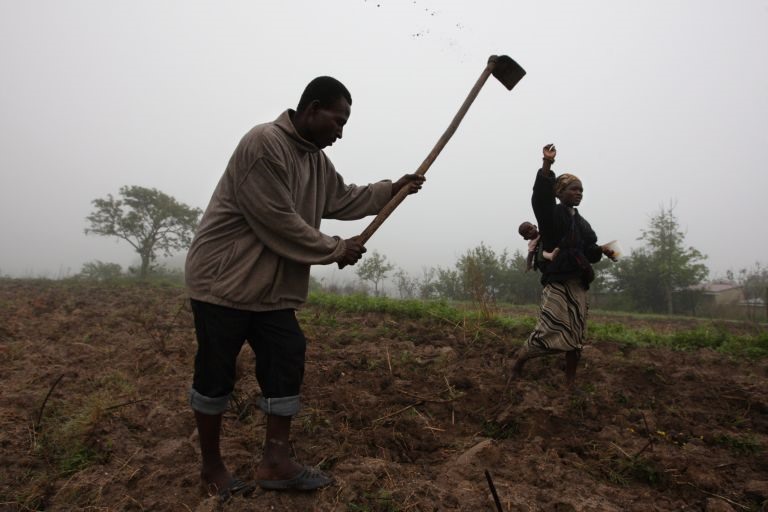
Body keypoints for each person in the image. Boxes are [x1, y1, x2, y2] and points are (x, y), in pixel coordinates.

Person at [184, 76, 425, 498]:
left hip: (272, 288)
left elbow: (344, 199)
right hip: (224, 281)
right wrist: (336, 249)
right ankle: (211, 467)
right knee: (215, 373)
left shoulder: (314, 159)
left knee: (286, 359)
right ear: (312, 109)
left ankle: (276, 462)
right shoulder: (263, 144)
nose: (341, 132)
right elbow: (276, 218)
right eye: (337, 120)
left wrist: (393, 190)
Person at [510, 143, 615, 386]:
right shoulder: (551, 217)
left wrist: (601, 250)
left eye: (581, 190)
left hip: (578, 284)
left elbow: (589, 249)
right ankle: (518, 363)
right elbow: (541, 199)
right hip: (557, 283)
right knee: (547, 329)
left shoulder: (583, 223)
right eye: (573, 189)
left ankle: (569, 382)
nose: (579, 193)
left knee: (576, 334)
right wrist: (547, 165)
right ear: (559, 192)